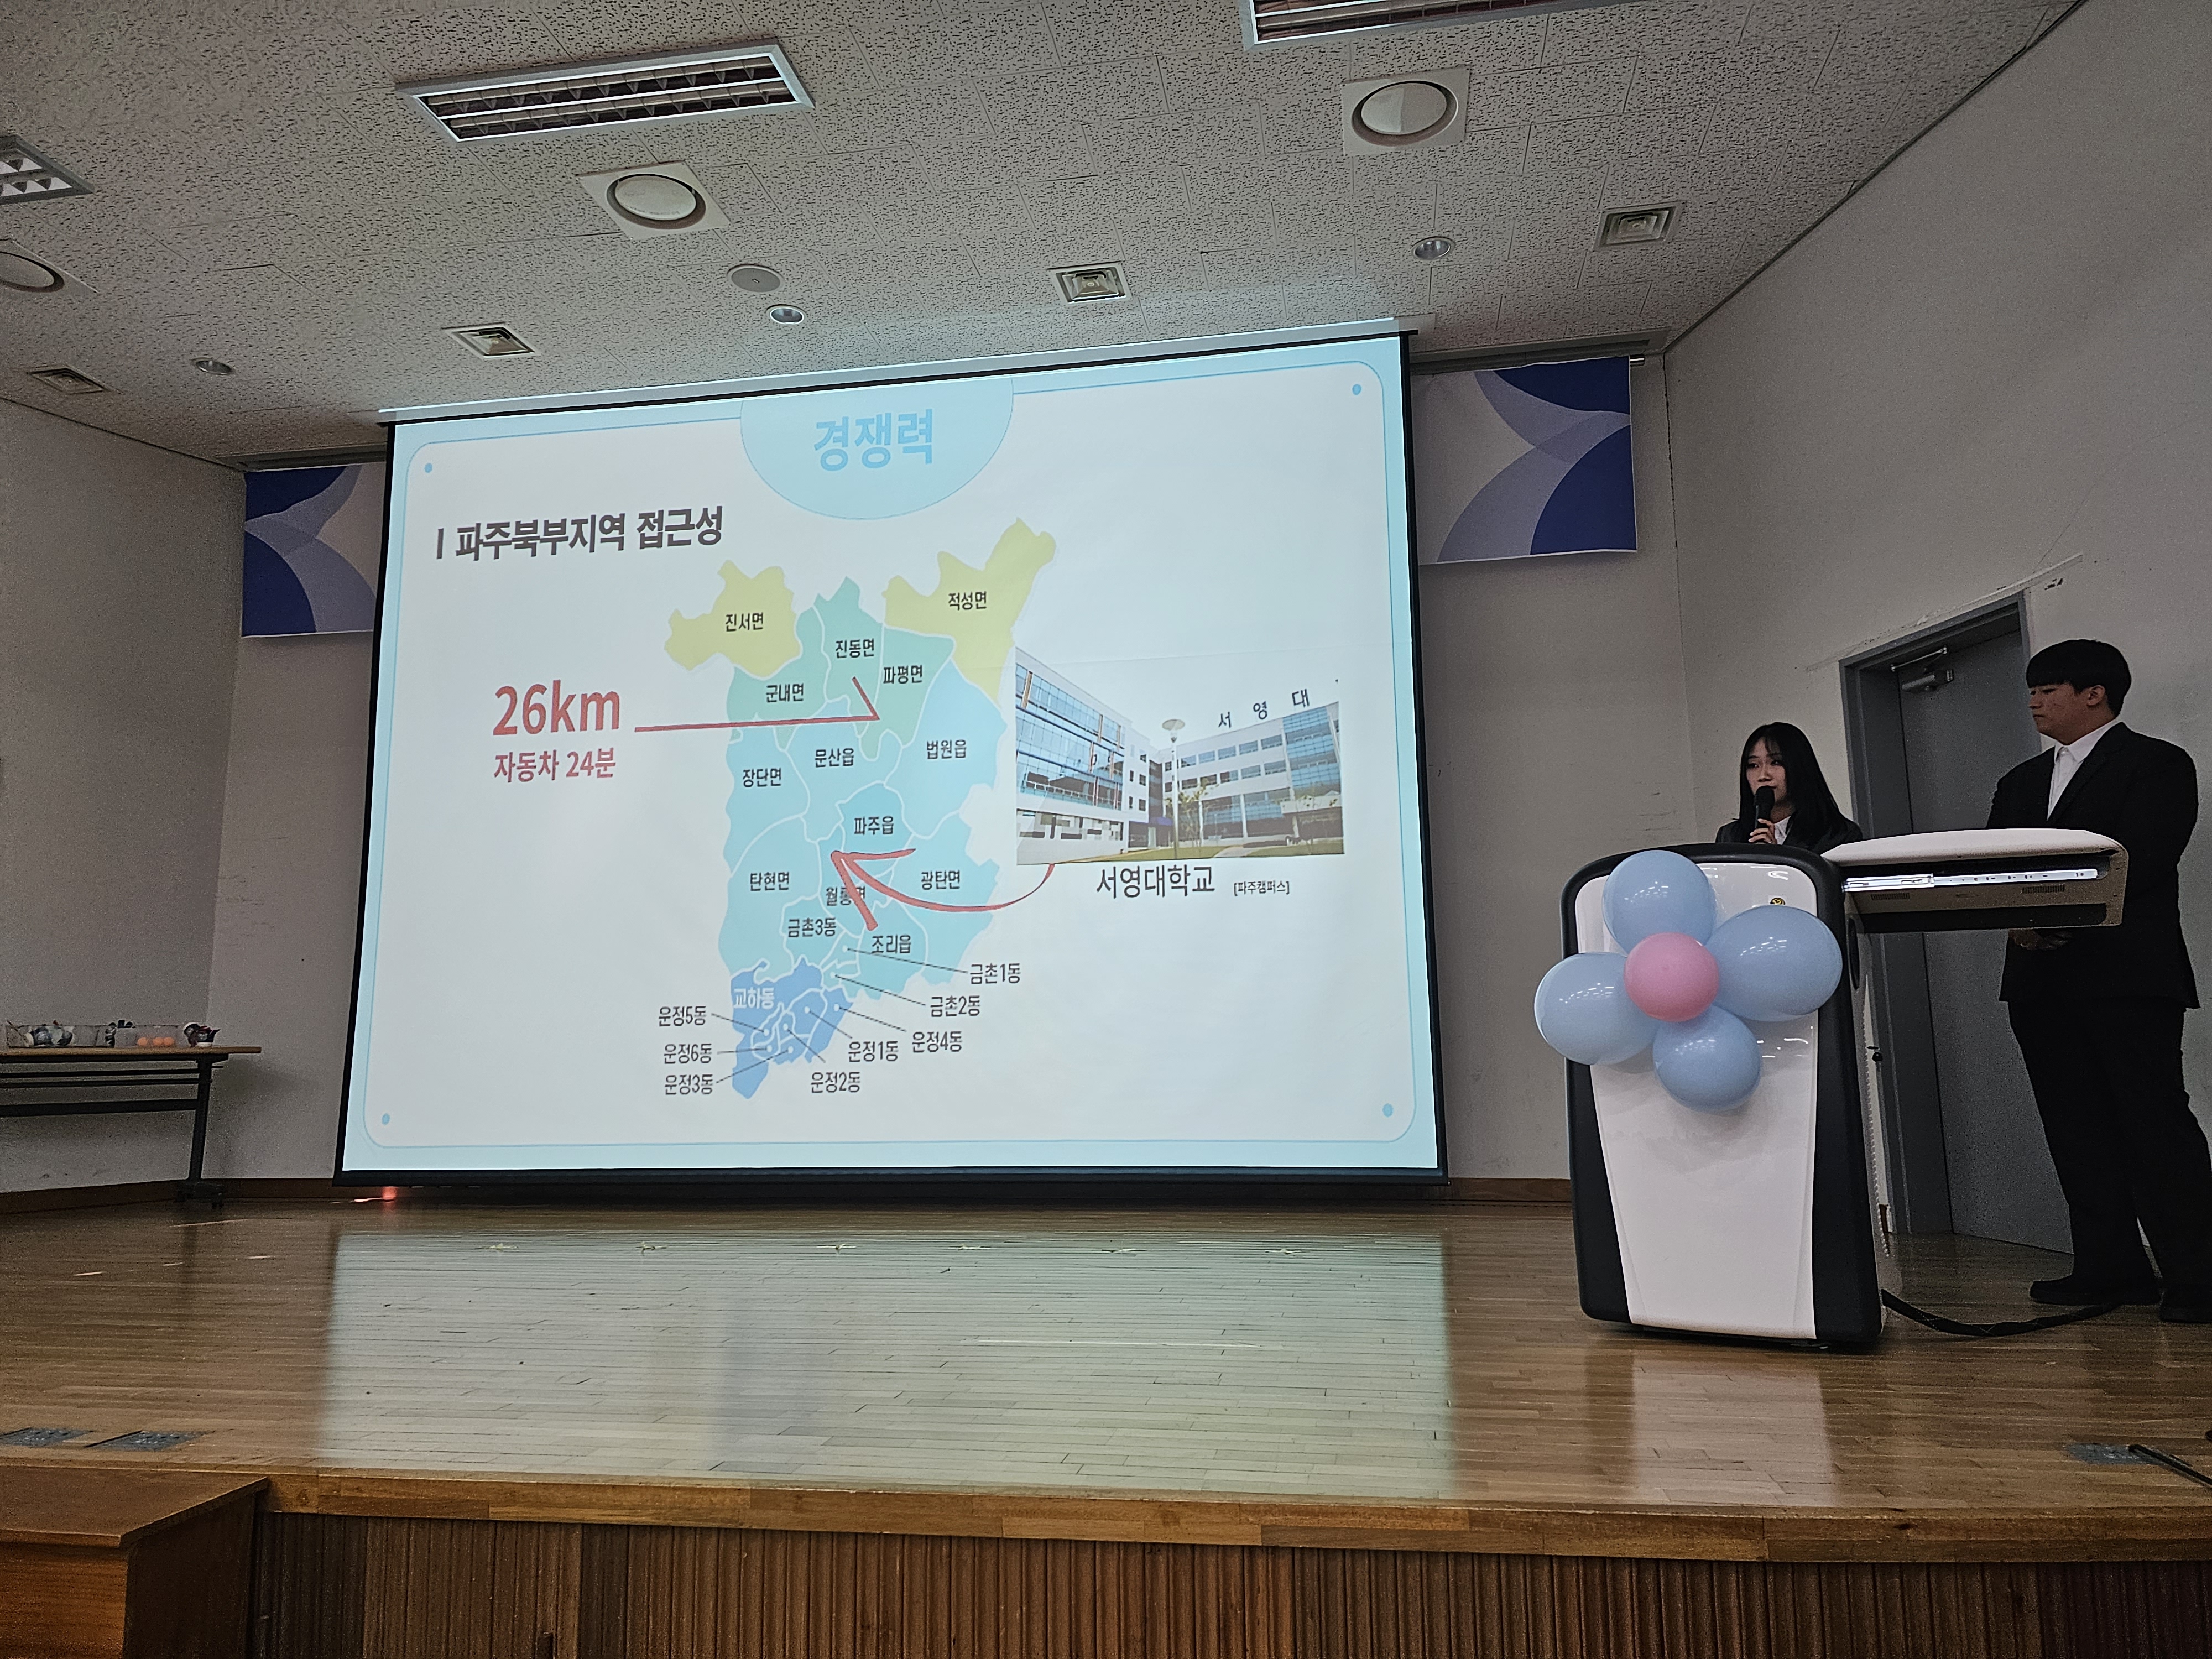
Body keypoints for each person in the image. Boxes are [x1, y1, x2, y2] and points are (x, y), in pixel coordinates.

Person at [1985, 639, 2210, 1323]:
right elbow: (1993, 868)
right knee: (2073, 1125)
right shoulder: (2020, 781)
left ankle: (2197, 1276)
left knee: (2154, 1122)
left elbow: (2142, 859)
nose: (2033, 701)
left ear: (2095, 694)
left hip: (2126, 974)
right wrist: (2018, 923)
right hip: (2040, 979)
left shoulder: (2156, 764)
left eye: (2047, 689)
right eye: (2030, 690)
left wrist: (2054, 919)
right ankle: (2109, 1268)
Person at [1714, 723, 1863, 855]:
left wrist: (1776, 857)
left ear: (1799, 767)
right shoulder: (1730, 836)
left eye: (1776, 763)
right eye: (1753, 765)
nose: (1763, 775)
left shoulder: (1838, 835)